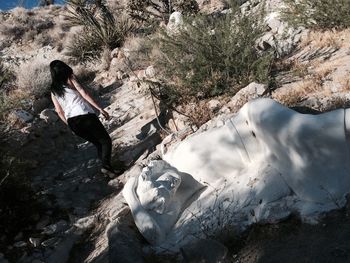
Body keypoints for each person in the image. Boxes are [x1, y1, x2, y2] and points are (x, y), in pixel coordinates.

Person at [49, 60, 119, 178]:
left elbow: (59, 111)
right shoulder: (70, 78)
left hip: (72, 122)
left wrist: (69, 125)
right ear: (64, 68)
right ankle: (106, 167)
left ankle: (108, 171)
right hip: (84, 114)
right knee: (105, 140)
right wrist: (100, 109)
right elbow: (84, 93)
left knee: (98, 143)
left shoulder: (54, 90)